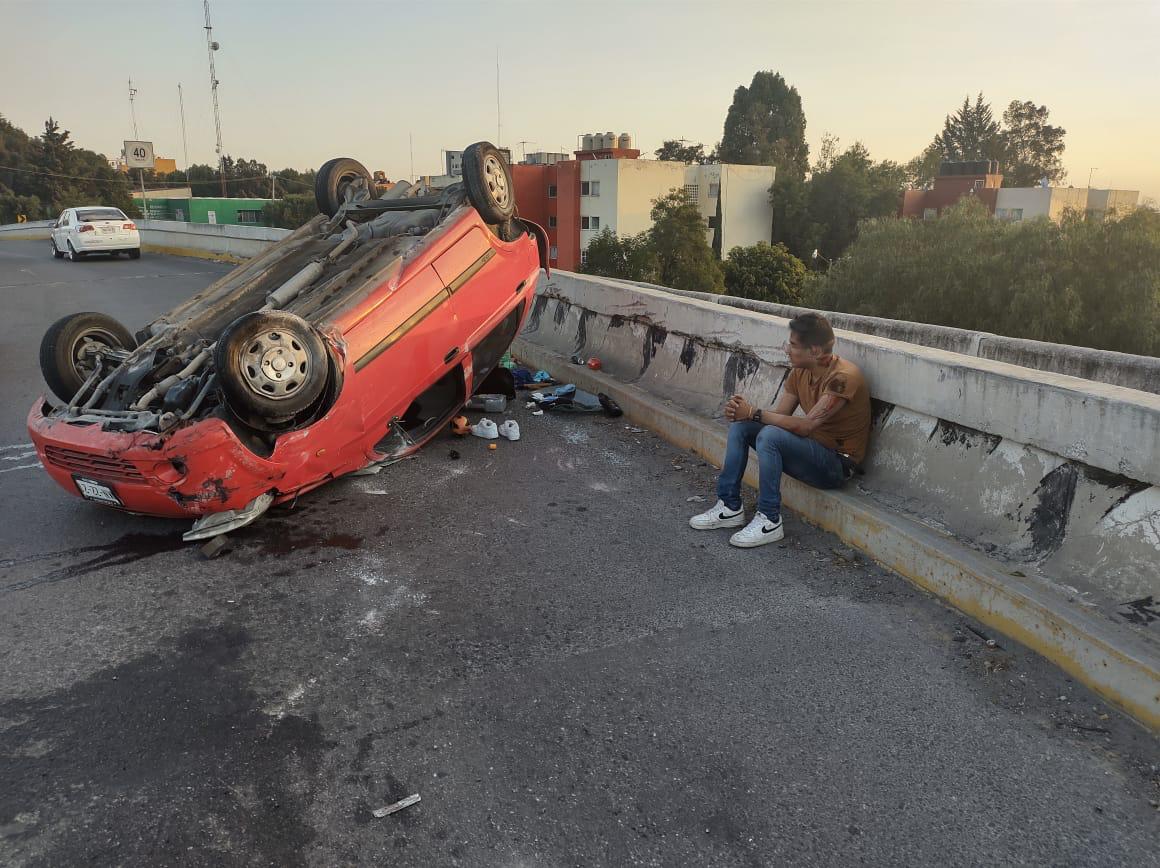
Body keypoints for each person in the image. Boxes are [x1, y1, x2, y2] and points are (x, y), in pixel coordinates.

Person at [689, 312, 871, 548]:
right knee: (743, 427)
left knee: (769, 435)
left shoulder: (843, 378)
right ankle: (729, 506)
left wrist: (753, 412)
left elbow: (806, 426)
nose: (787, 349)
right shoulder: (800, 373)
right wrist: (742, 413)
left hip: (836, 465)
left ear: (815, 350)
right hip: (810, 452)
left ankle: (769, 519)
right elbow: (779, 417)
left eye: (793, 345)